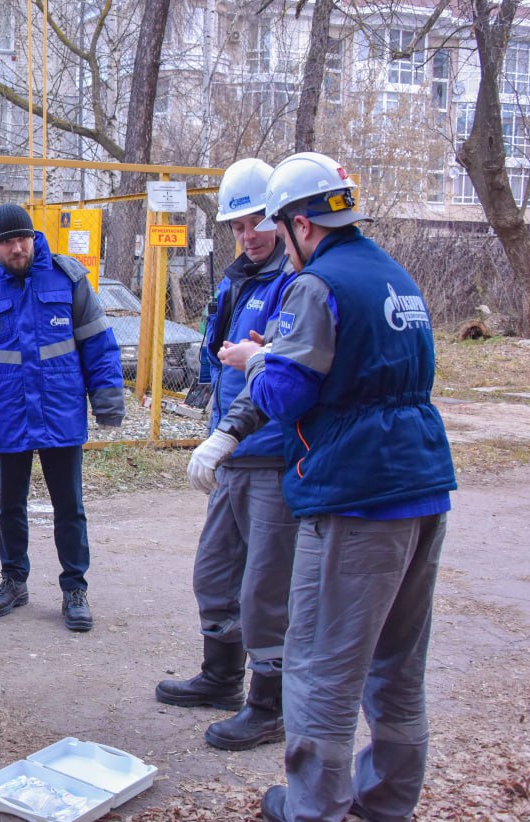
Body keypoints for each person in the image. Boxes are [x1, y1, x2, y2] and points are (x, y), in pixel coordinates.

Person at [219, 152, 455, 822]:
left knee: (322, 662)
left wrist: (258, 361)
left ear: (300, 224)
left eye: (277, 225)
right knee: (398, 660)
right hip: (422, 484)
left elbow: (288, 396)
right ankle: (387, 800)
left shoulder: (315, 285)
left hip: (357, 495)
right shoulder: (393, 274)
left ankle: (311, 814)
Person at [156, 157, 299, 752]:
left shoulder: (295, 281)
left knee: (265, 588)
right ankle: (221, 678)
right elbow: (219, 364)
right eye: (237, 226)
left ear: (281, 219)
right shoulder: (235, 281)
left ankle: (269, 706)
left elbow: (287, 371)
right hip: (233, 454)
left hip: (272, 456)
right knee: (214, 574)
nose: (248, 235)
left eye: (257, 222)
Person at [0, 203, 124, 632]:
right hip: (8, 414)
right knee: (10, 505)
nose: (17, 248)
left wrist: (108, 402)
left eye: (22, 238)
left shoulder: (68, 279)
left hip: (60, 413)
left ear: (33, 236)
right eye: (7, 242)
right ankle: (13, 580)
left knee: (69, 506)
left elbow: (99, 344)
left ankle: (74, 588)